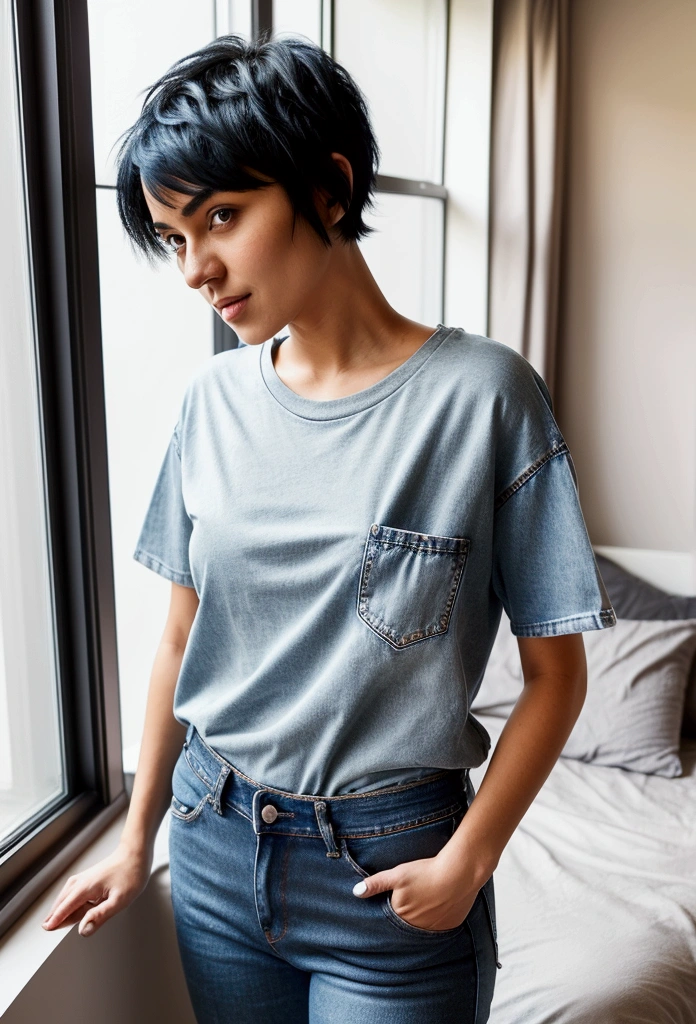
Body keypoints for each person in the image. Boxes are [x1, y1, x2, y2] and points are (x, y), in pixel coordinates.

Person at [41, 33, 616, 1024]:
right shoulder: (209, 403)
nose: (196, 269)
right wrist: (139, 836)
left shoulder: (483, 397)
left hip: (393, 871)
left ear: (330, 184)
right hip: (214, 848)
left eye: (222, 216)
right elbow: (181, 638)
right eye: (176, 238)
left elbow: (557, 676)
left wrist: (469, 860)